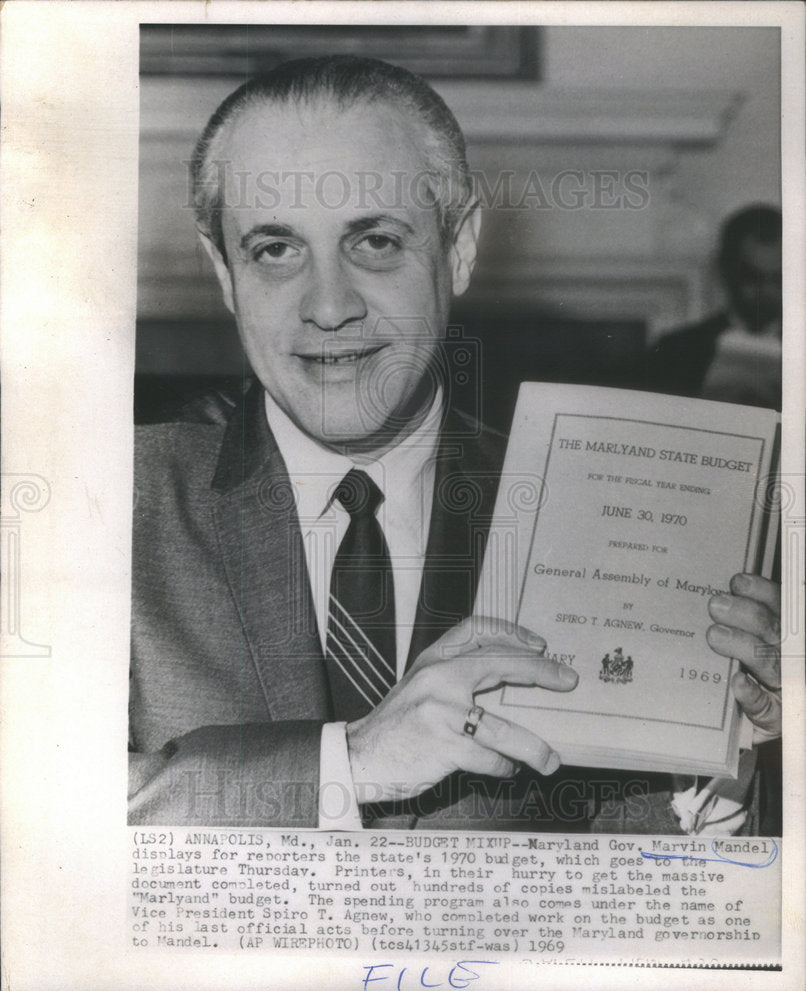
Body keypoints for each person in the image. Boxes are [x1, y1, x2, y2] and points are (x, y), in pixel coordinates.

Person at [129, 56, 782, 831]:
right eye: (276, 250)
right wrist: (353, 761)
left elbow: (644, 864)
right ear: (225, 272)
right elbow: (35, 816)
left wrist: (734, 745)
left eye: (374, 242)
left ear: (460, 245)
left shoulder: (583, 508)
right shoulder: (110, 501)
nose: (329, 306)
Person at [647, 204, 782, 408]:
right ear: (725, 270)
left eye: (779, 279)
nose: (766, 291)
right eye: (751, 277)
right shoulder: (674, 351)